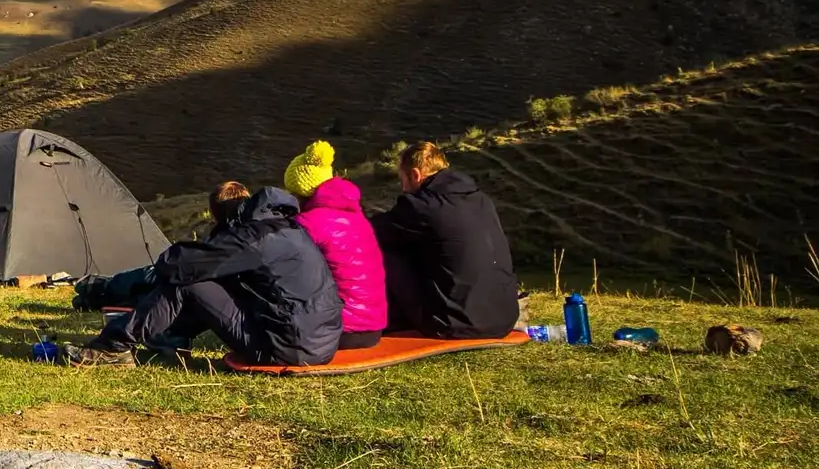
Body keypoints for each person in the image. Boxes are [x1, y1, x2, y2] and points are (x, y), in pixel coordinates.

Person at [69, 181, 342, 367]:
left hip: (287, 348)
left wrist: (171, 258)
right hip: (321, 341)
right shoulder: (290, 230)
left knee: (186, 285)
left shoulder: (255, 238)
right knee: (210, 285)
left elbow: (181, 266)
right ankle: (168, 338)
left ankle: (111, 347)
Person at [372, 141, 519, 339]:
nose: (403, 188)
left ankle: (385, 320)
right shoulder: (481, 199)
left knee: (380, 249)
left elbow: (370, 230)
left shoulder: (422, 205)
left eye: (403, 180)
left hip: (453, 324)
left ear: (415, 175)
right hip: (504, 319)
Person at [283, 140, 387, 350]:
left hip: (338, 331)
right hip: (373, 329)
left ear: (300, 193)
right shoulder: (357, 217)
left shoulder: (308, 223)